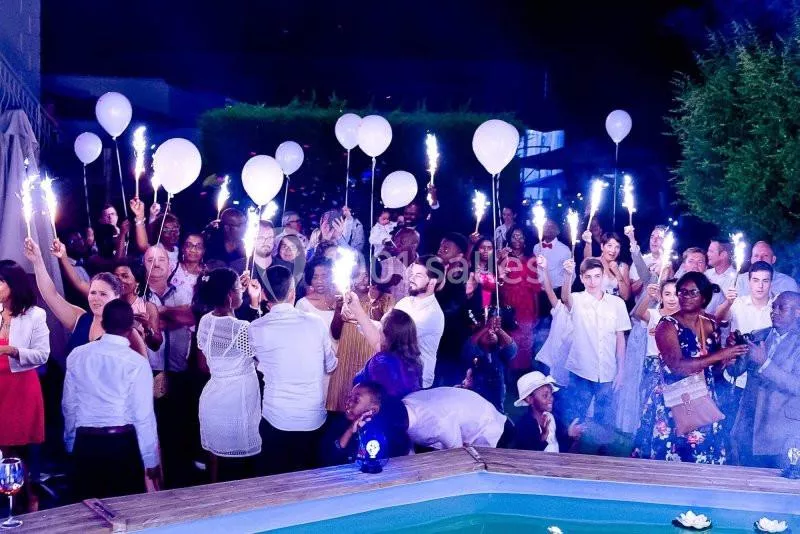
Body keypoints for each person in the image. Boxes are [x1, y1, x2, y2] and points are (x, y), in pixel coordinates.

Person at [632, 272, 748, 463]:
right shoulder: (667, 325)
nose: (685, 296)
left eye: (692, 292)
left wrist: (729, 357)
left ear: (704, 297)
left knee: (703, 457)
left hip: (703, 397)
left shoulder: (710, 323)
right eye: (682, 292)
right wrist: (721, 354)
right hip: (675, 400)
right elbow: (677, 366)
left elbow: (713, 369)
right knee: (670, 456)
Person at [62, 299, 161, 499]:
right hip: (121, 445)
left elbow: (69, 405)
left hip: (86, 443)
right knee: (125, 510)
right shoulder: (137, 363)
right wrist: (151, 460)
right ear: (130, 329)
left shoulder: (77, 355)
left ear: (103, 324)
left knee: (86, 510)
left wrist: (71, 441)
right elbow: (143, 416)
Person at [249, 265, 338, 475]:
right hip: (312, 419)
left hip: (276, 417)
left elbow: (258, 361)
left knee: (275, 479)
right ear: (292, 293)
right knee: (307, 479)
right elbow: (331, 365)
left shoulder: (256, 328)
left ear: (263, 294)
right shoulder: (315, 323)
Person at [23, 238, 146, 357]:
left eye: (103, 294)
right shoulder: (80, 318)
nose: (96, 298)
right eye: (93, 293)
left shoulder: (128, 332)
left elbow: (142, 367)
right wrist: (37, 260)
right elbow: (51, 294)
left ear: (117, 297)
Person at [195, 269, 261, 482]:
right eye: (239, 288)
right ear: (229, 295)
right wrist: (255, 304)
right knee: (238, 465)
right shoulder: (241, 328)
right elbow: (260, 356)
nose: (243, 290)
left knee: (214, 458)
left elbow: (203, 365)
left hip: (213, 397)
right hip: (236, 401)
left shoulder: (205, 321)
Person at [0, 260, 49, 510]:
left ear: (13, 284)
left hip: (20, 387)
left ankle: (30, 498)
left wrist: (11, 350)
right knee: (3, 447)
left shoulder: (34, 315)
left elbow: (42, 354)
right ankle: (8, 499)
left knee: (20, 448)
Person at [731, 292, 800, 468]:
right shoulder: (758, 335)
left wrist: (765, 364)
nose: (774, 312)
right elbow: (735, 371)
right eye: (773, 307)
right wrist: (733, 352)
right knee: (743, 480)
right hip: (748, 427)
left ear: (798, 312)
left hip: (782, 434)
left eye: (782, 308)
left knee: (776, 482)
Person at [562, 257, 631, 427]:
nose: (593, 282)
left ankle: (600, 443)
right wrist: (567, 275)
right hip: (581, 371)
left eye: (597, 276)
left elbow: (620, 339)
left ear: (603, 277)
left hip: (608, 371)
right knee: (575, 420)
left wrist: (621, 371)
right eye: (588, 277)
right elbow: (565, 299)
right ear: (581, 278)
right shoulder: (576, 299)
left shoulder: (617, 303)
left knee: (604, 422)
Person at [714, 261, 774, 423]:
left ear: (771, 282)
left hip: (763, 381)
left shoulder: (776, 308)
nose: (760, 286)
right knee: (729, 424)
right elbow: (717, 319)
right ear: (749, 281)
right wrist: (728, 302)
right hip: (735, 377)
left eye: (765, 280)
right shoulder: (738, 303)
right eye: (756, 280)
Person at [327, 262, 392, 412]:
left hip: (367, 364)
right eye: (358, 274)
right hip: (345, 363)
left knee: (362, 410)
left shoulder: (385, 299)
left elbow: (386, 333)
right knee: (339, 412)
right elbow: (335, 334)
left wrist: (374, 303)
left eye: (367, 275)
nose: (363, 279)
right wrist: (339, 309)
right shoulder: (346, 299)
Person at [626, 279, 680, 442]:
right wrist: (648, 296)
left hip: (676, 370)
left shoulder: (685, 318)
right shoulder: (654, 314)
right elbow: (638, 314)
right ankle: (645, 445)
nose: (672, 298)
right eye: (667, 294)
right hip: (653, 367)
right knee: (649, 408)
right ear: (661, 296)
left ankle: (666, 445)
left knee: (672, 412)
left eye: (676, 294)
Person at [319, 382, 409, 466]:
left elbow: (395, 461)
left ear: (373, 410)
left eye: (356, 400)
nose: (348, 402)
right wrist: (349, 431)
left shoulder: (387, 433)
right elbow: (329, 460)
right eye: (349, 397)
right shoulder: (339, 424)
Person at [402, 387, 514, 450]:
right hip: (474, 408)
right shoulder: (407, 401)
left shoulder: (438, 424)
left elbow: (458, 455)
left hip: (489, 427)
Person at [351, 308, 423, 399]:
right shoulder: (415, 361)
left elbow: (358, 382)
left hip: (382, 406)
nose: (378, 330)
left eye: (380, 326)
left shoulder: (381, 362)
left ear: (387, 336)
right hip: (404, 407)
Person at [498, 225, 539, 377]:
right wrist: (499, 261)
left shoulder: (531, 259)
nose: (517, 239)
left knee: (526, 341)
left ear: (525, 239)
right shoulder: (504, 258)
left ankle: (524, 375)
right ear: (509, 239)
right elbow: (496, 283)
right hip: (509, 304)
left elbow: (535, 288)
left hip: (526, 304)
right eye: (514, 236)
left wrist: (537, 311)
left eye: (520, 236)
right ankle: (509, 375)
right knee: (510, 339)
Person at [460, 312, 517, 412]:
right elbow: (470, 345)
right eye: (486, 332)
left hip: (496, 405)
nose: (490, 333)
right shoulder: (474, 352)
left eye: (493, 332)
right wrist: (486, 327)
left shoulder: (500, 354)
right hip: (475, 402)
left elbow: (512, 349)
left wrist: (499, 330)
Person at [434, 232, 470, 386]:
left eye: (446, 248)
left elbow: (454, 308)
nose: (441, 249)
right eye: (441, 246)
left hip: (451, 337)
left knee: (449, 378)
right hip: (436, 335)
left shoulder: (461, 278)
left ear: (459, 255)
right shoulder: (437, 272)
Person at [511, 371, 560, 452]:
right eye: (545, 395)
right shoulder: (523, 426)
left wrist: (570, 436)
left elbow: (561, 445)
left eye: (551, 394)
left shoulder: (552, 417)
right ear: (529, 399)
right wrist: (543, 437)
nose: (551, 398)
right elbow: (526, 455)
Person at [295, 257, 338, 348]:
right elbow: (298, 336)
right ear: (310, 279)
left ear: (332, 276)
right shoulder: (303, 304)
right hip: (316, 354)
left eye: (324, 276)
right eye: (315, 277)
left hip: (343, 352)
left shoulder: (340, 300)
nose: (320, 281)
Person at [532, 220, 571, 319]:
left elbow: (571, 274)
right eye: (546, 226)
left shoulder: (565, 249)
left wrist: (565, 294)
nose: (548, 229)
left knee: (558, 322)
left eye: (552, 226)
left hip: (557, 294)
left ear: (558, 231)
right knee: (541, 323)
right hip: (540, 294)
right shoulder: (536, 247)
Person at [376, 227, 419, 302]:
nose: (397, 245)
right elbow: (377, 292)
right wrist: (387, 284)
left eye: (402, 242)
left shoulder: (422, 267)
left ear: (414, 245)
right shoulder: (386, 264)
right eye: (396, 241)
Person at [628, 226, 668, 297]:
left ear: (667, 241)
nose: (654, 240)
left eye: (659, 238)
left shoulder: (669, 264)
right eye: (652, 237)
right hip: (641, 303)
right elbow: (632, 291)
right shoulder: (641, 260)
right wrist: (646, 274)